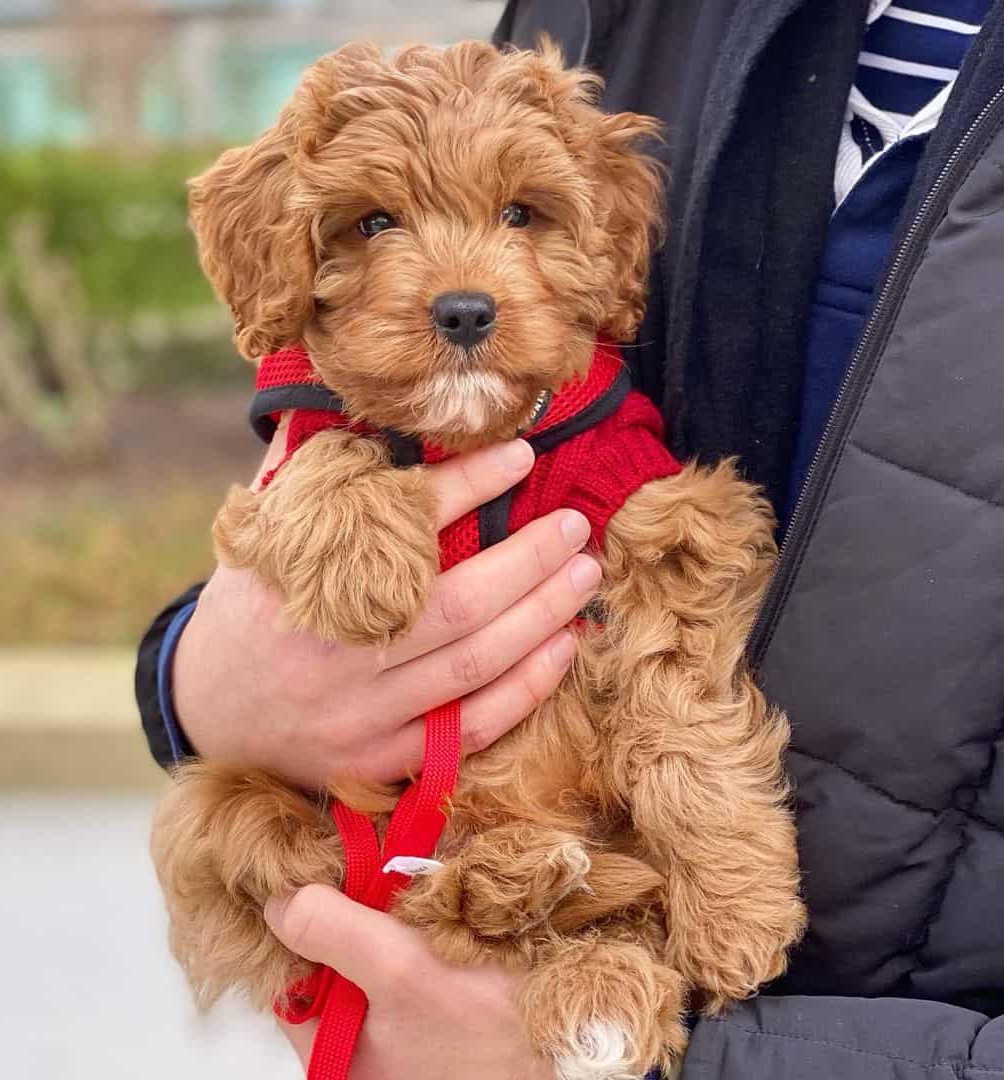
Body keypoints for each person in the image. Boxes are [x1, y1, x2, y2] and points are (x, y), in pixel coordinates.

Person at [136, 1, 1004, 1075]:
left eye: (520, 216)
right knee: (222, 840)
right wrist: (192, 683)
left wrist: (697, 815)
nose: (460, 286)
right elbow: (262, 590)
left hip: (715, 953)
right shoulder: (621, 15)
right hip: (376, 913)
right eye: (374, 224)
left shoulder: (603, 448)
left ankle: (592, 970)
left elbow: (690, 550)